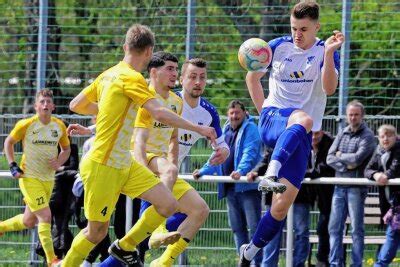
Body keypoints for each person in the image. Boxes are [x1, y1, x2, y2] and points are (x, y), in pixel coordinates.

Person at [60, 24, 216, 267]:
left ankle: (124, 247)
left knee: (167, 203)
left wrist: (102, 120)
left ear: (125, 47)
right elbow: (159, 114)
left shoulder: (108, 74)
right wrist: (199, 128)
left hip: (125, 162)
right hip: (103, 165)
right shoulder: (133, 79)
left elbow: (76, 104)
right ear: (148, 52)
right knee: (96, 232)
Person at [238, 2, 344, 266]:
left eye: (304, 29)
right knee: (303, 117)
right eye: (294, 28)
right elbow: (252, 78)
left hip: (300, 135)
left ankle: (249, 251)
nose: (297, 34)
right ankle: (270, 173)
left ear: (317, 27)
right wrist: (264, 111)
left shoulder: (325, 50)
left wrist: (330, 53)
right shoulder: (276, 47)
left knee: (281, 206)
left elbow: (329, 89)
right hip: (275, 118)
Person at [99, 56, 230, 267]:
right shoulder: (148, 100)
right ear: (182, 79)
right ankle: (156, 230)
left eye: (202, 78)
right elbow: (131, 132)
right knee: (100, 232)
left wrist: (223, 151)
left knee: (200, 210)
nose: (198, 82)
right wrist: (148, 174)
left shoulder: (191, 107)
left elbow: (176, 140)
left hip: (165, 171)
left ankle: (163, 262)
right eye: (192, 76)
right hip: (138, 165)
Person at [2, 89, 71, 266]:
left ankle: (1, 227)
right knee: (45, 216)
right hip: (29, 177)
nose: (45, 105)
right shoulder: (26, 124)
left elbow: (66, 149)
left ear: (53, 106)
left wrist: (59, 161)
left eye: (48, 102)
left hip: (48, 179)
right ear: (36, 106)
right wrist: (12, 164)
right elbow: (8, 142)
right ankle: (52, 260)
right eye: (42, 102)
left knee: (29, 220)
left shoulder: (59, 126)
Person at [195, 100, 263, 266]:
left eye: (237, 113)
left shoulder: (251, 129)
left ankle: (257, 264)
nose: (234, 116)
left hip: (247, 189)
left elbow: (250, 152)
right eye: (231, 113)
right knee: (237, 229)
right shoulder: (224, 130)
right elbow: (217, 155)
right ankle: (243, 262)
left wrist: (240, 171)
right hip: (230, 189)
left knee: (254, 229)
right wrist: (203, 171)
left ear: (244, 113)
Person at [326, 100, 375, 267]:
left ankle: (356, 264)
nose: (353, 118)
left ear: (362, 116)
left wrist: (341, 156)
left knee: (356, 230)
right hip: (339, 186)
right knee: (334, 228)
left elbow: (358, 159)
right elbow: (329, 157)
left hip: (356, 187)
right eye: (350, 114)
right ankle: (335, 264)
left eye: (356, 114)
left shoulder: (367, 135)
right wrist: (347, 165)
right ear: (347, 116)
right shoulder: (342, 132)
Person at [364, 124, 400, 267]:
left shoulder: (399, 149)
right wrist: (376, 174)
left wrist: (385, 176)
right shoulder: (378, 151)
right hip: (390, 202)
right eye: (382, 136)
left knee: (392, 236)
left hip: (397, 204)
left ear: (395, 137)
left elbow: (396, 168)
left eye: (389, 135)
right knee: (393, 236)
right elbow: (367, 169)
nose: (385, 139)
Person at [306, 130, 335, 267]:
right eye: (311, 134)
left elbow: (327, 165)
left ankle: (323, 260)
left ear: (322, 132)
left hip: (330, 191)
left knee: (324, 226)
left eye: (317, 134)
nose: (314, 137)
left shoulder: (330, 143)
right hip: (314, 190)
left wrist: (308, 174)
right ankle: (322, 259)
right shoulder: (304, 143)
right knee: (322, 227)